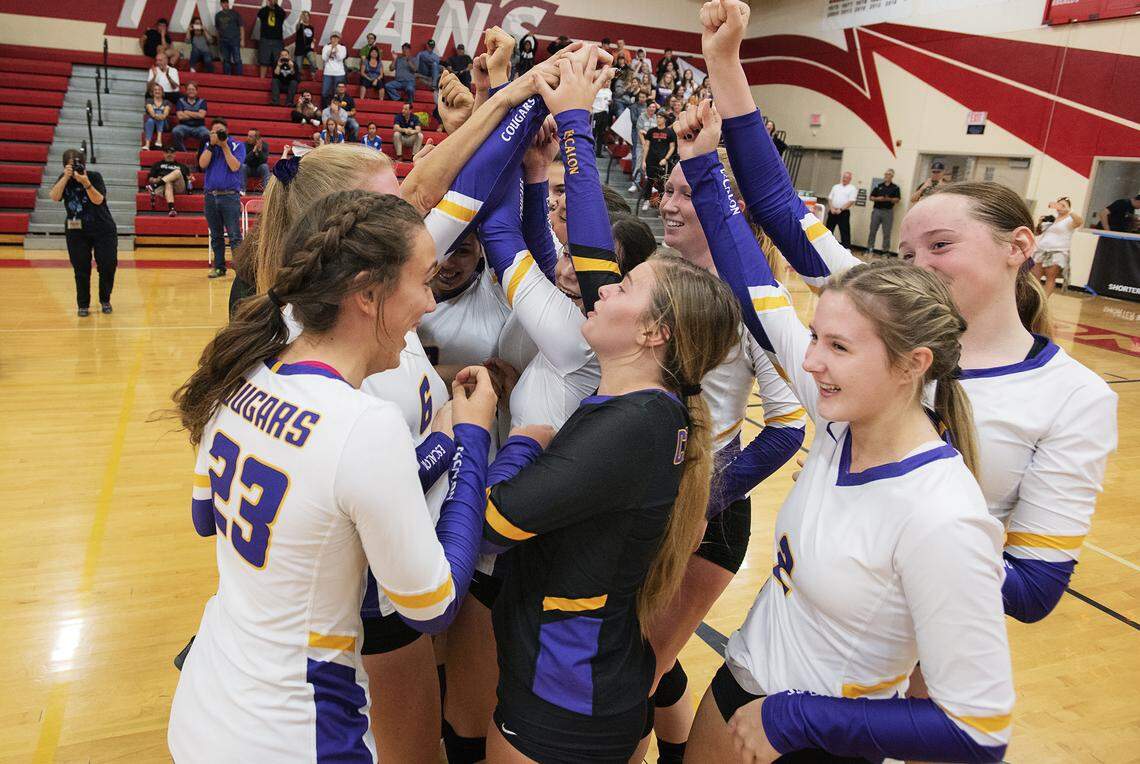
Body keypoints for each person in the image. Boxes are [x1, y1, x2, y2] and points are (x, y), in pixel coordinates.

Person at [699, 0, 1117, 636]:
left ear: (1018, 246)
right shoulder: (883, 314)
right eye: (908, 253)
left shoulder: (1075, 397)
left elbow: (1034, 588)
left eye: (941, 246)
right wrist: (726, 63)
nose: (920, 266)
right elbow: (778, 206)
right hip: (784, 623)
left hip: (901, 658)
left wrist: (892, 522)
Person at [675, 88, 1016, 764]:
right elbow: (758, 296)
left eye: (837, 347)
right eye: (815, 339)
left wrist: (795, 718)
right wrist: (704, 165)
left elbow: (978, 731)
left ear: (912, 365)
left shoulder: (943, 516)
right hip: (741, 684)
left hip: (812, 735)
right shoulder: (846, 417)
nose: (811, 362)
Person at [470, 54, 741, 764]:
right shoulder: (642, 404)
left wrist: (508, 435)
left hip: (564, 699)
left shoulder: (635, 424)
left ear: (654, 333)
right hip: (581, 682)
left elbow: (494, 519)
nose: (603, 287)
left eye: (623, 286)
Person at [167, 189, 499, 762]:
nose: (430, 301)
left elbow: (205, 519)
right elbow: (433, 605)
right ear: (368, 294)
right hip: (297, 732)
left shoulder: (243, 373)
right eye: (423, 281)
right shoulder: (365, 424)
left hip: (207, 700)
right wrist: (470, 439)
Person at [48, 149, 117, 317]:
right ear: (65, 166)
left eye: (78, 164)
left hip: (102, 228)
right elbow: (54, 197)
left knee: (107, 265)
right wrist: (65, 177)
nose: (76, 168)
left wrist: (86, 183)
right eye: (71, 165)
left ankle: (105, 299)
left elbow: (98, 200)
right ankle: (83, 304)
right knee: (81, 268)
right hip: (76, 230)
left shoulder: (94, 177)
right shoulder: (63, 179)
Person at [199, 118, 245, 279]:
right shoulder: (208, 146)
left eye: (220, 131)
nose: (217, 134)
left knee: (234, 235)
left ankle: (241, 270)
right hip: (210, 196)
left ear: (226, 132)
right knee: (216, 235)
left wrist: (224, 146)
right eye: (214, 132)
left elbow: (235, 166)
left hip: (229, 196)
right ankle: (219, 267)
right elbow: (202, 164)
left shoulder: (237, 145)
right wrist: (212, 145)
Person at [1032, 196, 1082, 295]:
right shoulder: (1052, 218)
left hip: (1057, 251)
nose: (1060, 207)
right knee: (1035, 275)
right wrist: (1040, 223)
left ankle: (1044, 300)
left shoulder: (1069, 219)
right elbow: (1037, 233)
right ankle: (1035, 297)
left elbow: (1079, 222)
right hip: (1042, 250)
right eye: (1058, 204)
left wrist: (1069, 210)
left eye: (1063, 205)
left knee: (1050, 277)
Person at [641, 111, 676, 209]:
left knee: (662, 183)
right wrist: (643, 160)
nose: (658, 119)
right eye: (657, 117)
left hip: (662, 161)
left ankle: (661, 203)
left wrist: (666, 158)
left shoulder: (670, 132)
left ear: (665, 119)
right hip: (651, 159)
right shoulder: (651, 131)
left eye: (660, 117)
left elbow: (672, 147)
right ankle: (646, 200)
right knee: (649, 181)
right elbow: (646, 146)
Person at [147, 145, 191, 216]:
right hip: (162, 188)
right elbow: (150, 179)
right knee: (168, 182)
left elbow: (189, 178)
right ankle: (171, 209)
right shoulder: (157, 165)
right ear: (163, 154)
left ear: (175, 154)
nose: (169, 154)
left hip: (178, 187)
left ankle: (154, 186)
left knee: (177, 172)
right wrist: (156, 180)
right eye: (167, 152)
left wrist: (190, 178)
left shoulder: (182, 166)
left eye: (171, 152)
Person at [867, 168, 901, 255]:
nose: (886, 176)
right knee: (872, 230)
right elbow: (871, 197)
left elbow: (897, 200)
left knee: (887, 232)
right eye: (885, 174)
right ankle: (870, 248)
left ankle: (885, 251)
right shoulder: (878, 186)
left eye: (888, 174)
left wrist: (888, 199)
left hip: (888, 212)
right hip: (877, 211)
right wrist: (878, 198)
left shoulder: (895, 188)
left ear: (892, 176)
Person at [172, 82, 209, 151]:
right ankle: (183, 152)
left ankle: (200, 152)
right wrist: (196, 114)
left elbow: (201, 115)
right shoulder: (180, 101)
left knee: (207, 134)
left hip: (199, 127)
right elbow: (180, 116)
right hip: (184, 126)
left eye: (193, 89)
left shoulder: (202, 101)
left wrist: (187, 112)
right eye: (189, 89)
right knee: (176, 131)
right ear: (186, 91)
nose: (191, 91)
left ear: (196, 91)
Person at [825, 170, 857, 248]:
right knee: (828, 229)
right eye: (844, 177)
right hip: (832, 211)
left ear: (850, 179)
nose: (844, 179)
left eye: (847, 178)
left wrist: (841, 209)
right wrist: (832, 208)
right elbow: (830, 198)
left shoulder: (852, 188)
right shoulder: (835, 186)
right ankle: (826, 245)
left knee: (844, 230)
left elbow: (851, 201)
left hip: (843, 212)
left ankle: (846, 247)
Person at [256, 0, 286, 79]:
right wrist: (268, 7)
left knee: (278, 62)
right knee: (263, 61)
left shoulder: (280, 11)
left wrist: (275, 5)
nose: (272, 1)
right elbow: (260, 14)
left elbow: (283, 15)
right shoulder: (264, 10)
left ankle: (277, 81)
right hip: (265, 39)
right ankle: (262, 80)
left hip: (277, 40)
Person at [214, 0, 244, 76]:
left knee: (237, 59)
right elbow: (217, 29)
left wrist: (242, 40)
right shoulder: (218, 15)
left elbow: (241, 27)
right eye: (223, 3)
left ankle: (240, 78)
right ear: (221, 4)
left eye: (226, 2)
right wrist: (218, 41)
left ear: (228, 3)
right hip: (223, 41)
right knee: (226, 60)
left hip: (235, 40)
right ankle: (227, 78)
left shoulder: (235, 13)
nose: (225, 4)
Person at [321, 32, 348, 105]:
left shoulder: (342, 48)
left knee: (337, 93)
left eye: (337, 37)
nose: (335, 39)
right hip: (328, 72)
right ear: (330, 38)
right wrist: (331, 48)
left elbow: (340, 58)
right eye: (333, 37)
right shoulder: (326, 47)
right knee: (325, 92)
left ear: (339, 39)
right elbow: (324, 58)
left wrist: (335, 48)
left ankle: (337, 109)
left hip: (339, 73)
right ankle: (324, 108)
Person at [143, 83, 171, 149]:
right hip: (151, 124)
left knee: (159, 112)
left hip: (164, 125)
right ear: (152, 92)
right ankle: (147, 145)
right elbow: (151, 112)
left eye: (159, 90)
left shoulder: (167, 102)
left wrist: (160, 116)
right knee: (150, 121)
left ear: (162, 92)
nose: (157, 91)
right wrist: (157, 116)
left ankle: (159, 139)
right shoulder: (149, 100)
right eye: (155, 90)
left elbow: (165, 114)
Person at [292, 10, 318, 80]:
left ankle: (313, 74)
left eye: (307, 15)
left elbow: (310, 36)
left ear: (309, 17)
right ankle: (299, 80)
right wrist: (300, 19)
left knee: (313, 62)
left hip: (308, 48)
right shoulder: (300, 25)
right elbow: (297, 27)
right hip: (299, 49)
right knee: (298, 67)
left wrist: (313, 40)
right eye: (304, 16)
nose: (306, 17)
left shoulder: (311, 27)